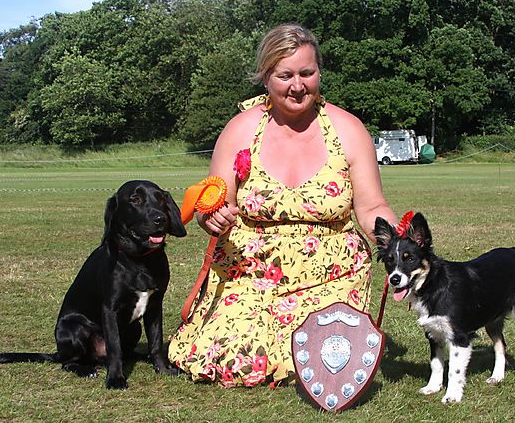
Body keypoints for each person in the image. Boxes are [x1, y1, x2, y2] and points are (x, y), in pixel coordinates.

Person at [168, 23, 397, 388]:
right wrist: (212, 218)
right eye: (285, 75)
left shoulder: (348, 130)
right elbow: (214, 203)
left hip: (332, 276)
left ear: (319, 72)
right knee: (238, 360)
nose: (297, 85)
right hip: (249, 274)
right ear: (265, 76)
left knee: (319, 359)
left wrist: (396, 240)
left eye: (307, 73)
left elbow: (371, 207)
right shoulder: (240, 129)